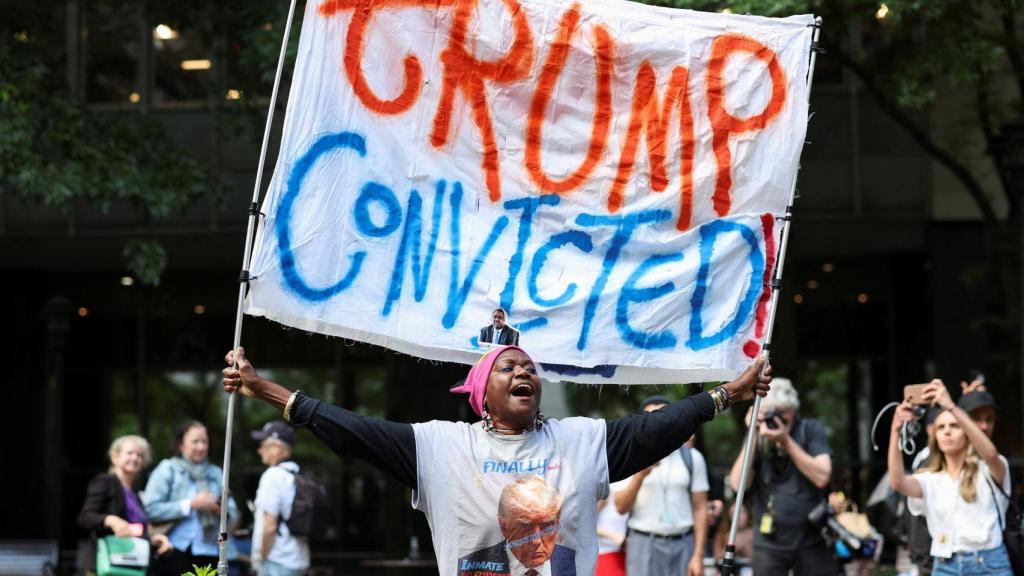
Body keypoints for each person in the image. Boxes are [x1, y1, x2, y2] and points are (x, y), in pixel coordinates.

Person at [222, 345, 771, 575]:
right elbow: (353, 430)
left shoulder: (578, 441)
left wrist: (725, 395)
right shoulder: (441, 447)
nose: (524, 372)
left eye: (529, 366)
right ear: (483, 393)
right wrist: (264, 389)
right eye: (508, 367)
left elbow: (656, 429)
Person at [888, 379, 1011, 575]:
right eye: (941, 427)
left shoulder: (988, 469)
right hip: (946, 564)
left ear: (967, 432)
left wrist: (951, 407)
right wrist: (895, 430)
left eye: (954, 426)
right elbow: (897, 481)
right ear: (934, 434)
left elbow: (990, 455)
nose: (946, 431)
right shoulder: (931, 478)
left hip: (988, 562)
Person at [728, 378, 837, 576]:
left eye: (783, 414)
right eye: (772, 412)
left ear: (794, 411)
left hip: (810, 539)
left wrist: (785, 440)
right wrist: (753, 432)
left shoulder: (809, 429)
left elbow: (822, 476)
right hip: (768, 543)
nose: (777, 420)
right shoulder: (758, 435)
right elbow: (737, 484)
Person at [615, 396, 709, 576]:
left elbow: (700, 508)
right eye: (652, 417)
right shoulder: (631, 456)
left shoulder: (692, 457)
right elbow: (620, 507)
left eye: (663, 416)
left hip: (683, 542)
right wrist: (640, 476)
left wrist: (698, 555)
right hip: (644, 543)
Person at [143, 420, 240, 576]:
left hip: (211, 551)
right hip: (173, 549)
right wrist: (190, 504)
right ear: (181, 444)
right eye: (195, 441)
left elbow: (234, 515)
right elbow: (150, 509)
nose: (201, 447)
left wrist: (219, 511)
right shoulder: (167, 469)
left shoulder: (216, 473)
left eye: (204, 441)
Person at [78, 435, 172, 573]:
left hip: (130, 566)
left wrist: (151, 540)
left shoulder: (135, 495)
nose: (135, 458)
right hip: (104, 565)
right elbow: (85, 517)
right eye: (129, 453)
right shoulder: (105, 482)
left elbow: (133, 529)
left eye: (139, 455)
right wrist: (110, 520)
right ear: (114, 457)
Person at [458, 475, 574, 575]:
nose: (536, 540)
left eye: (547, 526)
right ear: (503, 526)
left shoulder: (578, 563)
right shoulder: (470, 567)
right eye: (525, 526)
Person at [250, 420, 310, 576]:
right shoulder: (296, 474)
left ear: (277, 448)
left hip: (277, 562)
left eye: (263, 445)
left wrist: (261, 559)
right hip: (299, 560)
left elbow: (270, 527)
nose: (259, 450)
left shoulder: (272, 476)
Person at [595, 481, 629, 576]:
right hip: (606, 553)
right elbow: (586, 524)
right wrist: (614, 536)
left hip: (628, 554)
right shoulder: (605, 487)